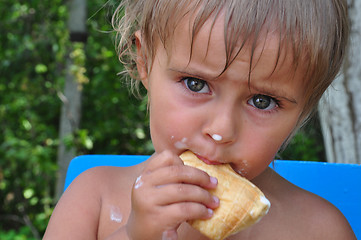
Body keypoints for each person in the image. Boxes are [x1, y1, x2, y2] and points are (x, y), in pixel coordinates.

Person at [44, 0, 356, 239]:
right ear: (145, 61)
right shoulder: (94, 199)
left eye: (262, 102)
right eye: (196, 84)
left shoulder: (319, 229)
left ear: (304, 109)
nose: (220, 131)